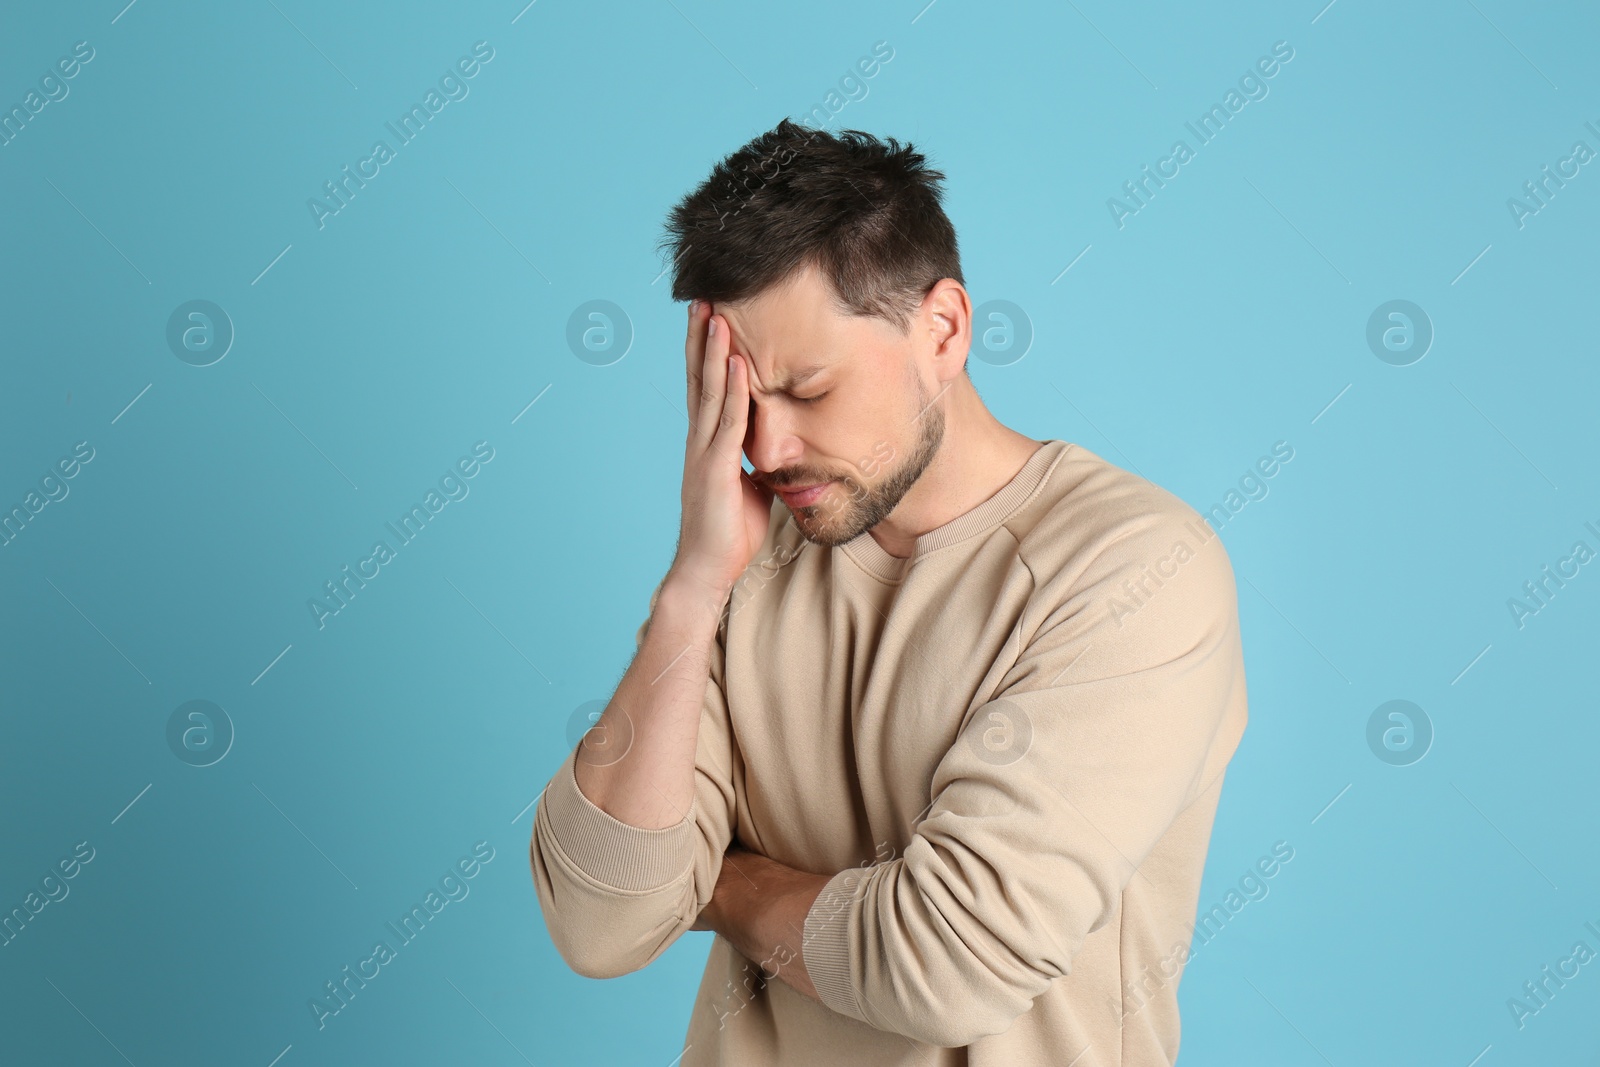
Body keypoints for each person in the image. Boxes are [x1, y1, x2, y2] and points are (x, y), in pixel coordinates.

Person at [529, 117, 1248, 1065]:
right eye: (740, 403)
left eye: (807, 390)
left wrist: (723, 889)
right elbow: (601, 921)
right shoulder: (744, 557)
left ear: (942, 329)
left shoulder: (1134, 570)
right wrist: (693, 588)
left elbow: (951, 965)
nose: (767, 449)